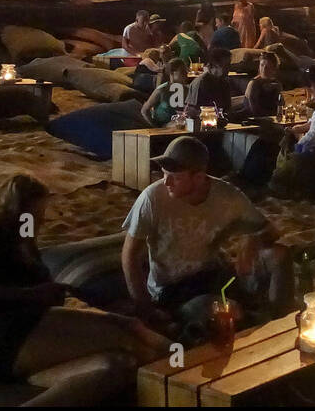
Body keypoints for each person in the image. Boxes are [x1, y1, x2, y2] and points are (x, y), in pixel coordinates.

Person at [0, 175, 167, 404]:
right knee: (129, 334)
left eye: (40, 216)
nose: (40, 221)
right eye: (34, 215)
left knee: (117, 365)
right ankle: (178, 361)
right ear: (13, 211)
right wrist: (29, 294)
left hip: (32, 333)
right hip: (3, 336)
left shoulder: (26, 242)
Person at [121, 136, 292, 340]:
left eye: (175, 176)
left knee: (280, 255)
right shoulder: (152, 198)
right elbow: (130, 255)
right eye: (164, 174)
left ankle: (281, 325)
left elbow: (271, 231)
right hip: (172, 289)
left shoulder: (227, 197)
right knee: (222, 312)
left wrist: (251, 240)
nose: (166, 181)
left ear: (199, 177)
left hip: (215, 275)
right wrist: (145, 308)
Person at [185, 47, 233, 118]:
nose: (228, 69)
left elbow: (227, 109)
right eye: (225, 66)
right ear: (213, 66)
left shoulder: (224, 83)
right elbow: (192, 110)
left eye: (229, 65)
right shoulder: (200, 83)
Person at [141, 58, 189, 127]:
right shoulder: (162, 89)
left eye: (186, 71)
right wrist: (155, 127)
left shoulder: (186, 90)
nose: (186, 74)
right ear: (172, 73)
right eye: (183, 72)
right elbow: (144, 110)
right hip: (164, 128)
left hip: (180, 127)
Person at [243, 52, 283, 117]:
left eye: (268, 66)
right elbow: (254, 110)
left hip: (269, 119)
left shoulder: (277, 83)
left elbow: (280, 106)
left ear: (274, 69)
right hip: (251, 119)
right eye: (262, 65)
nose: (264, 69)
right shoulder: (254, 83)